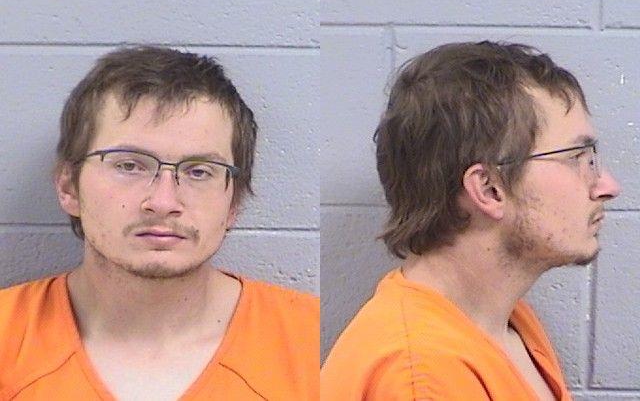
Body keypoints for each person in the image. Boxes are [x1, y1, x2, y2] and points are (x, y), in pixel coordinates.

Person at [0, 46, 319, 401]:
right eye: (129, 165)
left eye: (199, 172)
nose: (163, 203)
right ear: (68, 187)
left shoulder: (310, 342)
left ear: (235, 202)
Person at [321, 41, 621, 400]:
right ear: (489, 188)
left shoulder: (508, 322)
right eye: (577, 158)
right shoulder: (422, 378)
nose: (607, 186)